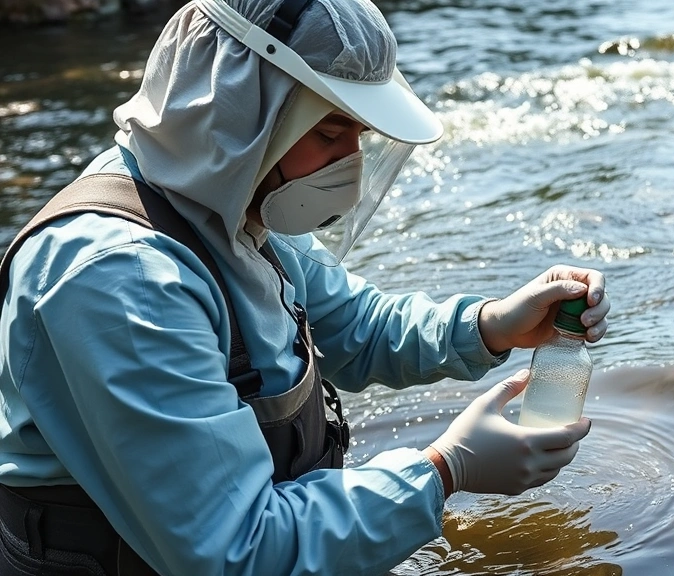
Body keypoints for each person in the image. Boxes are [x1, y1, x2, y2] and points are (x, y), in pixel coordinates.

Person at [0, 0, 611, 574]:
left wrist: (491, 324)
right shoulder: (117, 278)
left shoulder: (231, 200)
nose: (351, 160)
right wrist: (441, 471)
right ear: (241, 113)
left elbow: (352, 326)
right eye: (329, 133)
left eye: (360, 137)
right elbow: (234, 550)